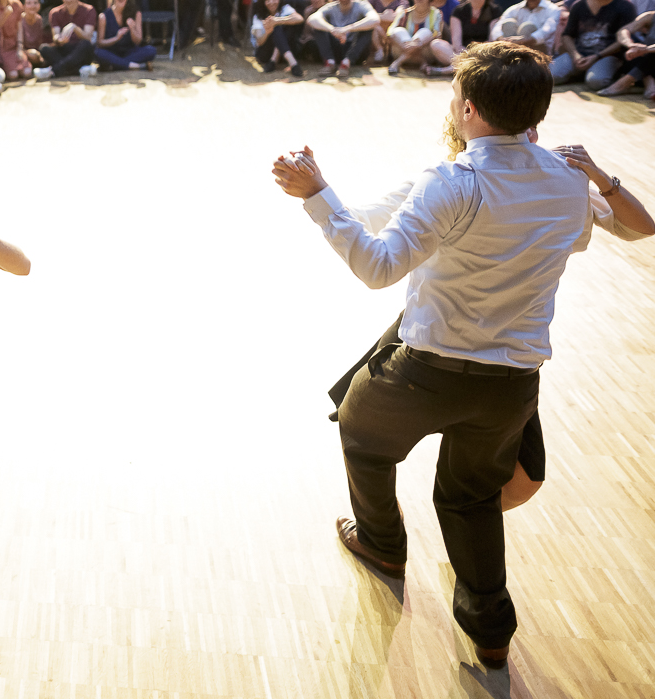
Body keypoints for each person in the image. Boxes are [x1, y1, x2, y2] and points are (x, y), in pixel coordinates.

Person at [271, 41, 653, 671]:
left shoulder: (452, 181)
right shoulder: (566, 183)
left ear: (469, 108)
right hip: (510, 385)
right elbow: (639, 227)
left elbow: (377, 266)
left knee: (363, 438)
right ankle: (491, 634)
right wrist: (598, 173)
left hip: (425, 371)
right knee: (470, 500)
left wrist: (316, 195)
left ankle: (381, 544)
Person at [551, 0, 635, 90]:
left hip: (607, 55)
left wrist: (597, 56)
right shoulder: (578, 5)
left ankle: (600, 72)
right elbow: (567, 35)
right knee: (549, 76)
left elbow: (623, 40)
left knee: (596, 82)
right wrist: (575, 55)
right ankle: (581, 71)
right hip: (580, 53)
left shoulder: (625, 6)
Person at [306, 0, 379, 78]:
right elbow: (312, 19)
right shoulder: (330, 7)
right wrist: (333, 30)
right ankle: (330, 62)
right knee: (318, 26)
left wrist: (347, 29)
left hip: (354, 51)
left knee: (369, 28)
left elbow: (375, 19)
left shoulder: (361, 5)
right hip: (335, 48)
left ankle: (346, 63)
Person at [430, 0, 498, 76]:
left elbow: (491, 41)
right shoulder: (459, 10)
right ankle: (468, 68)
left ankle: (449, 70)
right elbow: (457, 44)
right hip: (461, 52)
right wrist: (468, 55)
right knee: (436, 44)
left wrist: (476, 53)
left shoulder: (495, 11)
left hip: (483, 54)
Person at [35, 0, 99, 79]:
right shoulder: (55, 12)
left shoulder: (89, 10)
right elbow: (55, 36)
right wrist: (59, 39)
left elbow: (88, 37)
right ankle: (78, 70)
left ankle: (54, 71)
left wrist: (75, 28)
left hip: (80, 49)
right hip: (64, 48)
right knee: (44, 48)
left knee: (86, 45)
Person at [385, 0, 446, 75]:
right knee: (398, 30)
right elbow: (390, 32)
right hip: (401, 49)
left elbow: (437, 34)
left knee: (425, 32)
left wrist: (418, 44)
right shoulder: (404, 13)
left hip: (425, 53)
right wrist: (408, 45)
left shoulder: (436, 13)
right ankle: (422, 62)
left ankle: (397, 63)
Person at [94, 0, 157, 72]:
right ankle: (133, 65)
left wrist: (132, 28)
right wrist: (116, 38)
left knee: (151, 50)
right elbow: (100, 43)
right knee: (98, 52)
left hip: (129, 51)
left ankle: (116, 65)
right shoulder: (103, 16)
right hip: (112, 51)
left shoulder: (136, 13)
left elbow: (138, 41)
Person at [490, 0, 560, 51]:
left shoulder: (553, 9)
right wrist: (502, 39)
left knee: (528, 28)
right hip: (512, 51)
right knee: (508, 23)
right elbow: (498, 27)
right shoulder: (514, 9)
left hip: (540, 54)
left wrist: (524, 40)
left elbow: (546, 31)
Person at [251, 0, 304, 77]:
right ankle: (293, 64)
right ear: (263, 2)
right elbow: (259, 41)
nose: (271, 2)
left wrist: (278, 20)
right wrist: (268, 31)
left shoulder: (285, 8)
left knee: (280, 24)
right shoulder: (258, 16)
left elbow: (299, 19)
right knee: (275, 26)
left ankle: (274, 60)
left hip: (285, 52)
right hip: (265, 53)